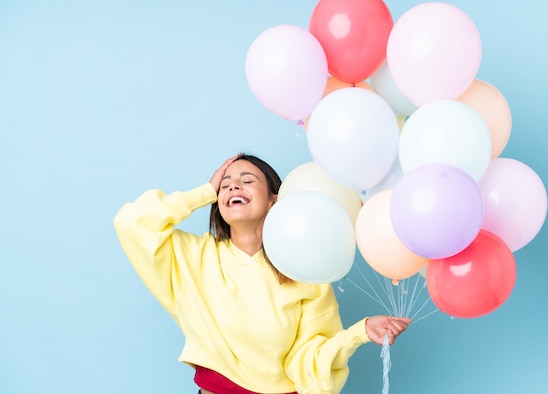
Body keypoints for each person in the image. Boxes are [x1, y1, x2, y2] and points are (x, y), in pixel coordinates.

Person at [113, 153, 411, 394]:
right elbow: (132, 223)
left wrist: (359, 332)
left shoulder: (303, 271)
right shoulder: (191, 259)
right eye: (225, 184)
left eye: (247, 180)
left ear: (274, 199)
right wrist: (204, 191)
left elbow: (309, 362)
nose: (232, 187)